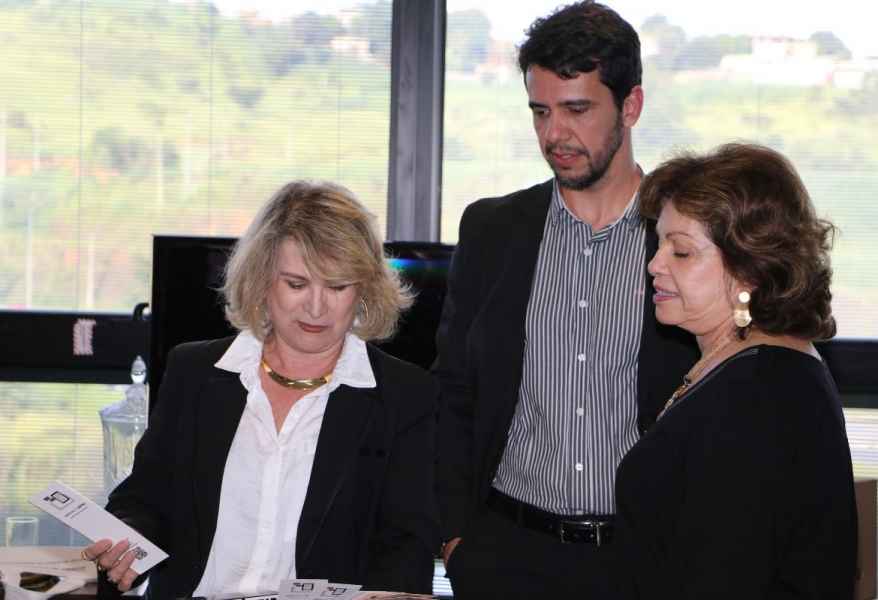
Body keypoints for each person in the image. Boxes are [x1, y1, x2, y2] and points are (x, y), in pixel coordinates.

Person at [433, 2, 697, 598]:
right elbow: (453, 392)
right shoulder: (492, 229)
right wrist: (455, 539)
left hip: (642, 562)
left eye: (577, 110)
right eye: (540, 111)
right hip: (504, 553)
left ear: (631, 106)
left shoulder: (683, 241)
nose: (554, 134)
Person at [81, 180, 440, 599]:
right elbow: (146, 498)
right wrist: (127, 539)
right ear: (262, 280)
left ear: (363, 289)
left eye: (337, 287)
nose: (316, 308)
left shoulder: (404, 396)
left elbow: (406, 549)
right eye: (297, 284)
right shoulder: (194, 371)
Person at [614, 143, 858, 598]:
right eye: (658, 243)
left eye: (681, 252)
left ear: (750, 269)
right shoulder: (748, 365)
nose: (654, 264)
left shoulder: (757, 396)